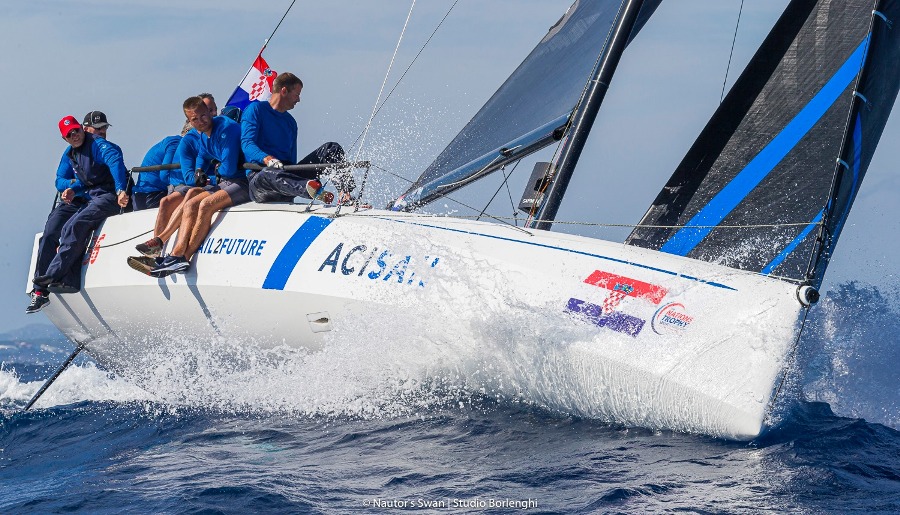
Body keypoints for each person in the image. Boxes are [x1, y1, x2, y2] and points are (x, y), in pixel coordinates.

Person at [29, 116, 129, 308]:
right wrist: (73, 188)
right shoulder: (71, 153)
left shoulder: (99, 145)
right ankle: (44, 288)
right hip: (87, 197)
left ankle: (54, 275)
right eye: (69, 134)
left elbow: (115, 162)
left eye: (76, 130)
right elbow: (63, 180)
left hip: (107, 196)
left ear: (82, 129)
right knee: (55, 230)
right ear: (64, 138)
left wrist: (120, 190)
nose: (74, 135)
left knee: (75, 225)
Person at [150, 96, 245, 277]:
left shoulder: (226, 128)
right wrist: (200, 170)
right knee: (191, 201)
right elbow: (202, 155)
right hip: (226, 181)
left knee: (205, 205)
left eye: (203, 116)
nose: (201, 121)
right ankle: (176, 254)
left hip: (243, 181)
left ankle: (184, 257)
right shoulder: (203, 135)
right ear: (189, 121)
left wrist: (217, 169)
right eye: (195, 119)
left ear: (209, 112)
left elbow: (230, 168)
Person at [242, 72, 352, 204]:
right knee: (268, 173)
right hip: (260, 180)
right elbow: (247, 144)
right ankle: (313, 190)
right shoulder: (255, 109)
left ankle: (346, 196)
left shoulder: (291, 122)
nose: (299, 100)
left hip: (286, 175)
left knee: (331, 148)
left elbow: (291, 160)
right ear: (284, 91)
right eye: (297, 94)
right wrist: (267, 159)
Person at [132, 134, 181, 210]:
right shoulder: (176, 142)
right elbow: (164, 174)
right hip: (152, 194)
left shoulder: (170, 141)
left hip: (141, 194)